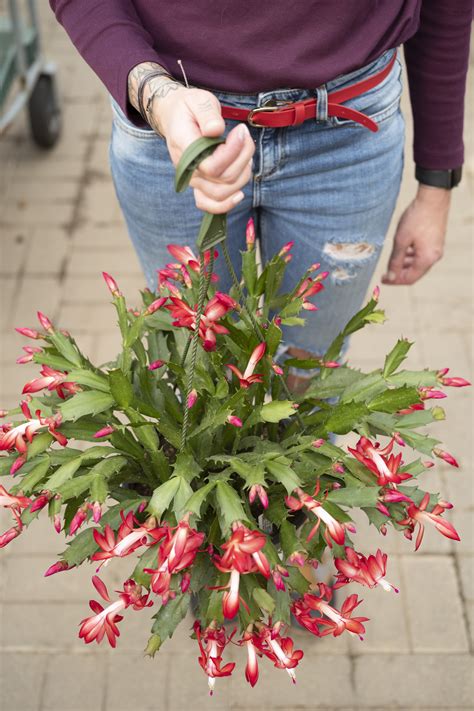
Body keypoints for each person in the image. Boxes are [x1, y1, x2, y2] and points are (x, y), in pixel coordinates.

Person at [49, 2, 471, 390]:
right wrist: (154, 95)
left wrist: (437, 183)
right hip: (174, 123)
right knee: (192, 373)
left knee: (309, 382)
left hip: (346, 133)